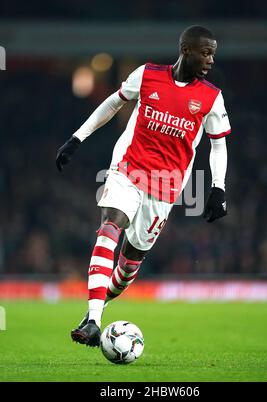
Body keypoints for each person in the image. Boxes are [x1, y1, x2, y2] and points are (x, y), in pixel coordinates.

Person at [56, 25, 231, 347]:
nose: (210, 60)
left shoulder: (211, 97)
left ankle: (96, 308)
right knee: (111, 225)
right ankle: (94, 319)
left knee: (128, 267)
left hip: (166, 186)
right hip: (128, 168)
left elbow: (218, 145)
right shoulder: (148, 75)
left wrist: (217, 187)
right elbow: (113, 103)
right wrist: (77, 137)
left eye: (213, 54)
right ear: (186, 50)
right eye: (205, 53)